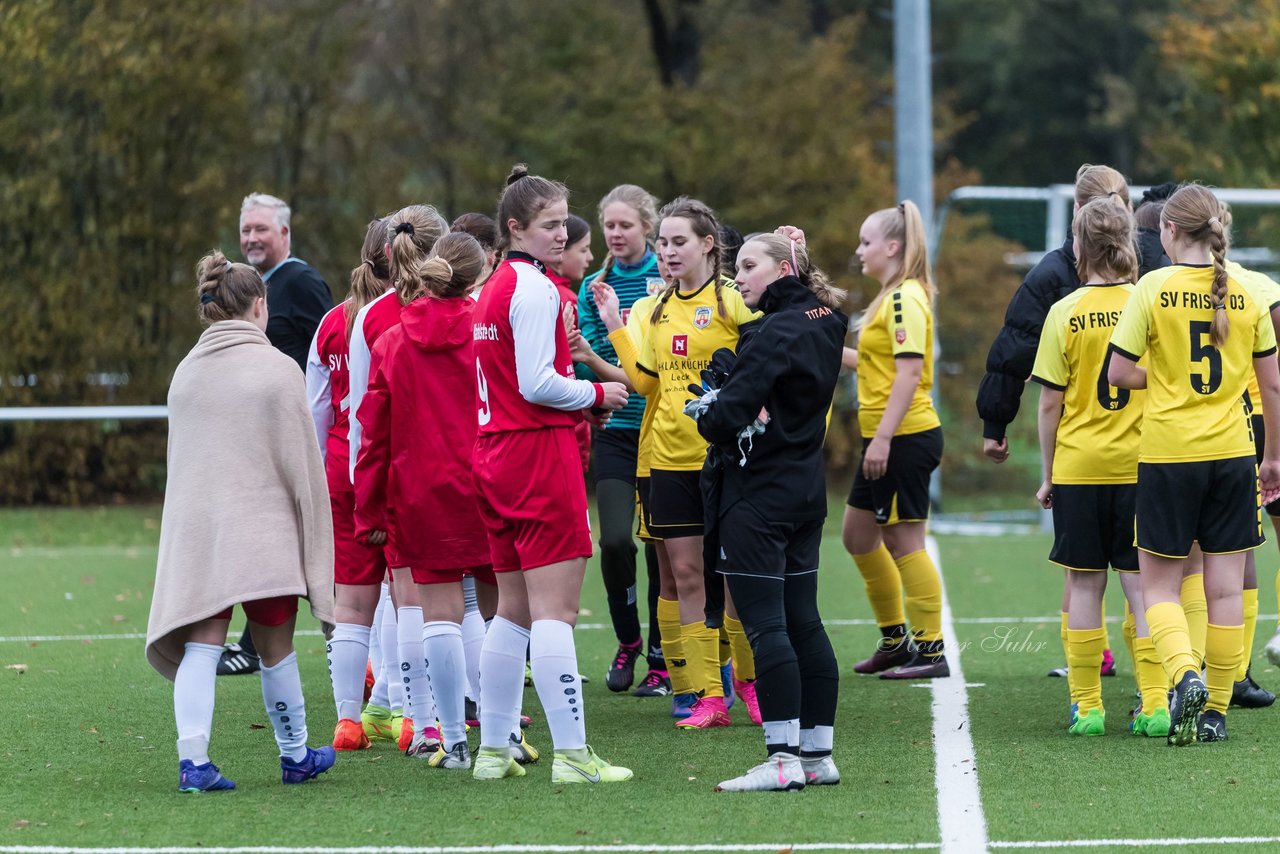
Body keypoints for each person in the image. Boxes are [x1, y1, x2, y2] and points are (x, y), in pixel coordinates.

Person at [145, 250, 336, 792]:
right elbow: (302, 466)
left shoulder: (185, 374)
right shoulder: (278, 370)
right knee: (275, 648)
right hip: (264, 533)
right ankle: (296, 756)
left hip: (203, 533)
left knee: (202, 645)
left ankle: (193, 763)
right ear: (259, 306)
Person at [470, 164, 632, 783]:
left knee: (511, 609)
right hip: (535, 454)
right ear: (516, 227)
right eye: (550, 225)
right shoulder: (534, 289)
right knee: (555, 613)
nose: (562, 235)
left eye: (565, 223)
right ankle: (572, 756)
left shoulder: (493, 286)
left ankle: (492, 749)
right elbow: (538, 383)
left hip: (494, 454)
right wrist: (595, 394)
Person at [1108, 183, 1280, 745]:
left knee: (1159, 587)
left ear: (1170, 230)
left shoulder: (1153, 288)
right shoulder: (1249, 292)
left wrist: (1165, 378)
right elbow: (1273, 384)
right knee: (1227, 592)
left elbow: (1118, 373)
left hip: (1169, 455)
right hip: (1233, 454)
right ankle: (1217, 714)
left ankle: (1184, 674)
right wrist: (1273, 455)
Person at [687, 232, 846, 791]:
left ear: (783, 268)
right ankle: (816, 754)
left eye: (749, 266)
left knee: (768, 627)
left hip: (759, 497)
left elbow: (723, 416)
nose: (739, 277)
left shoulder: (774, 331)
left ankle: (781, 761)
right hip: (806, 492)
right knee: (806, 622)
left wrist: (713, 401)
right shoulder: (828, 317)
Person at [976, 164, 1132, 681]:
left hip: (1080, 454)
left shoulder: (1055, 285)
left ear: (1075, 214)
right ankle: (1172, 684)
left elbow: (1018, 357)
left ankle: (1088, 680)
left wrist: (996, 426)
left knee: (1085, 575)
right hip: (1158, 449)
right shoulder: (1155, 271)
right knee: (1159, 576)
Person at [355, 232, 493, 771]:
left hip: (420, 491)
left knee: (436, 614)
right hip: (488, 482)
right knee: (492, 613)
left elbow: (374, 434)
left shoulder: (392, 339)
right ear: (475, 277)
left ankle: (451, 741)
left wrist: (369, 508)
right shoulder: (488, 332)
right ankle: (498, 736)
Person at [1029, 197, 1162, 737]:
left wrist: (1048, 473)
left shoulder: (1064, 311)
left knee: (1084, 587)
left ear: (1079, 245)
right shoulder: (1148, 303)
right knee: (1144, 589)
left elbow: (1047, 404)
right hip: (1142, 465)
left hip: (1080, 467)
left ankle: (1087, 707)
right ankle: (1154, 703)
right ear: (1127, 243)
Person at [349, 204, 451, 756]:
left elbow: (366, 417)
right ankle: (469, 714)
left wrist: (362, 487)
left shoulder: (372, 318)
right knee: (468, 599)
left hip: (402, 474)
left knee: (406, 595)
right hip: (464, 471)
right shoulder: (470, 307)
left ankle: (420, 721)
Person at [219, 192, 334, 677]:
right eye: (246, 230)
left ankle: (338, 639)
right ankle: (253, 642)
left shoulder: (302, 282)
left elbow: (326, 355)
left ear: (285, 233)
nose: (251, 238)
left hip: (293, 436)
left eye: (261, 229)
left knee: (282, 535)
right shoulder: (246, 286)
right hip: (255, 438)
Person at [842, 200, 948, 679]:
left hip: (903, 436)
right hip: (884, 436)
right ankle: (894, 639)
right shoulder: (889, 296)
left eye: (866, 242)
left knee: (905, 543)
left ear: (892, 246)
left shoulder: (906, 297)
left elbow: (908, 374)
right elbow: (874, 363)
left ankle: (930, 653)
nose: (859, 251)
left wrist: (882, 439)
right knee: (858, 536)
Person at [574, 184, 669, 696]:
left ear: (646, 228)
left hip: (662, 431)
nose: (614, 234)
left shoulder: (666, 280)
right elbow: (581, 353)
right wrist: (595, 387)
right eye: (608, 226)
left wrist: (602, 365)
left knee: (661, 549)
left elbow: (648, 367)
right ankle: (628, 640)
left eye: (624, 225)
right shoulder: (594, 285)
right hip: (615, 432)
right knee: (613, 541)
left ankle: (660, 655)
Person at [307, 218, 394, 752]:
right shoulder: (400, 315)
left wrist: (318, 476)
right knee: (407, 594)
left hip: (343, 467)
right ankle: (406, 710)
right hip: (394, 465)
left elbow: (313, 407)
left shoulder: (332, 321)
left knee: (352, 599)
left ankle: (349, 721)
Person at [548, 214, 595, 476]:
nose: (589, 258)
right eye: (584, 249)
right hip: (568, 423)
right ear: (561, 250)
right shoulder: (565, 299)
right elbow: (581, 369)